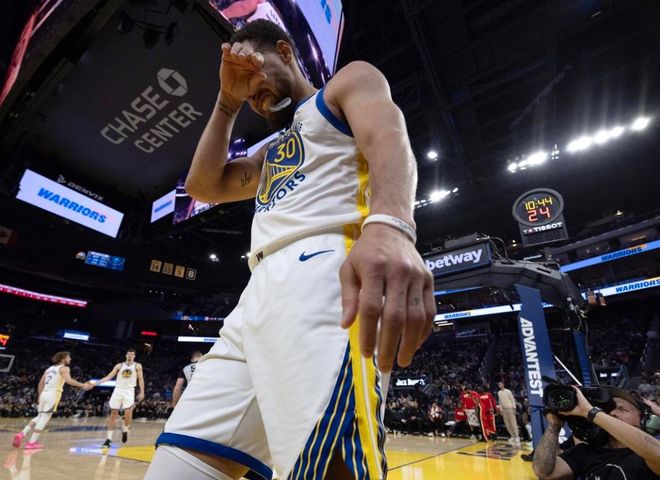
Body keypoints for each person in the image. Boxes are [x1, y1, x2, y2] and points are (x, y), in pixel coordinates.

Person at [146, 19, 435, 480]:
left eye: (256, 75)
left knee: (327, 463)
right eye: (248, 95)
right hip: (255, 297)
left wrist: (391, 224)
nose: (256, 97)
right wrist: (227, 101)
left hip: (324, 273)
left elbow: (388, 137)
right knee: (178, 465)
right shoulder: (271, 151)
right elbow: (203, 184)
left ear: (285, 52)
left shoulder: (345, 84)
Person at [532, 386, 660, 479]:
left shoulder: (645, 456)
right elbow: (543, 472)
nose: (612, 413)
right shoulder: (587, 451)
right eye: (609, 410)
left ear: (645, 419)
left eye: (622, 409)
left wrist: (590, 412)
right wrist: (554, 427)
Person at [12, 351, 92, 449]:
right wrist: (83, 385)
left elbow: (40, 383)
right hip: (53, 394)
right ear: (63, 358)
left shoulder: (49, 369)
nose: (70, 359)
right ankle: (31, 443)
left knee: (39, 416)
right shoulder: (64, 368)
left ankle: (22, 433)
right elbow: (69, 380)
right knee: (45, 418)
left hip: (44, 394)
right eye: (68, 357)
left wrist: (40, 395)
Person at [95, 348, 145, 448]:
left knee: (128, 412)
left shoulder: (137, 365)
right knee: (113, 414)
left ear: (134, 356)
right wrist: (96, 383)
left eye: (132, 354)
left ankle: (125, 430)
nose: (130, 355)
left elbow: (141, 379)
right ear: (126, 355)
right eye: (128, 354)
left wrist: (142, 392)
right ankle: (108, 439)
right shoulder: (119, 365)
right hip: (118, 389)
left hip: (129, 390)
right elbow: (109, 376)